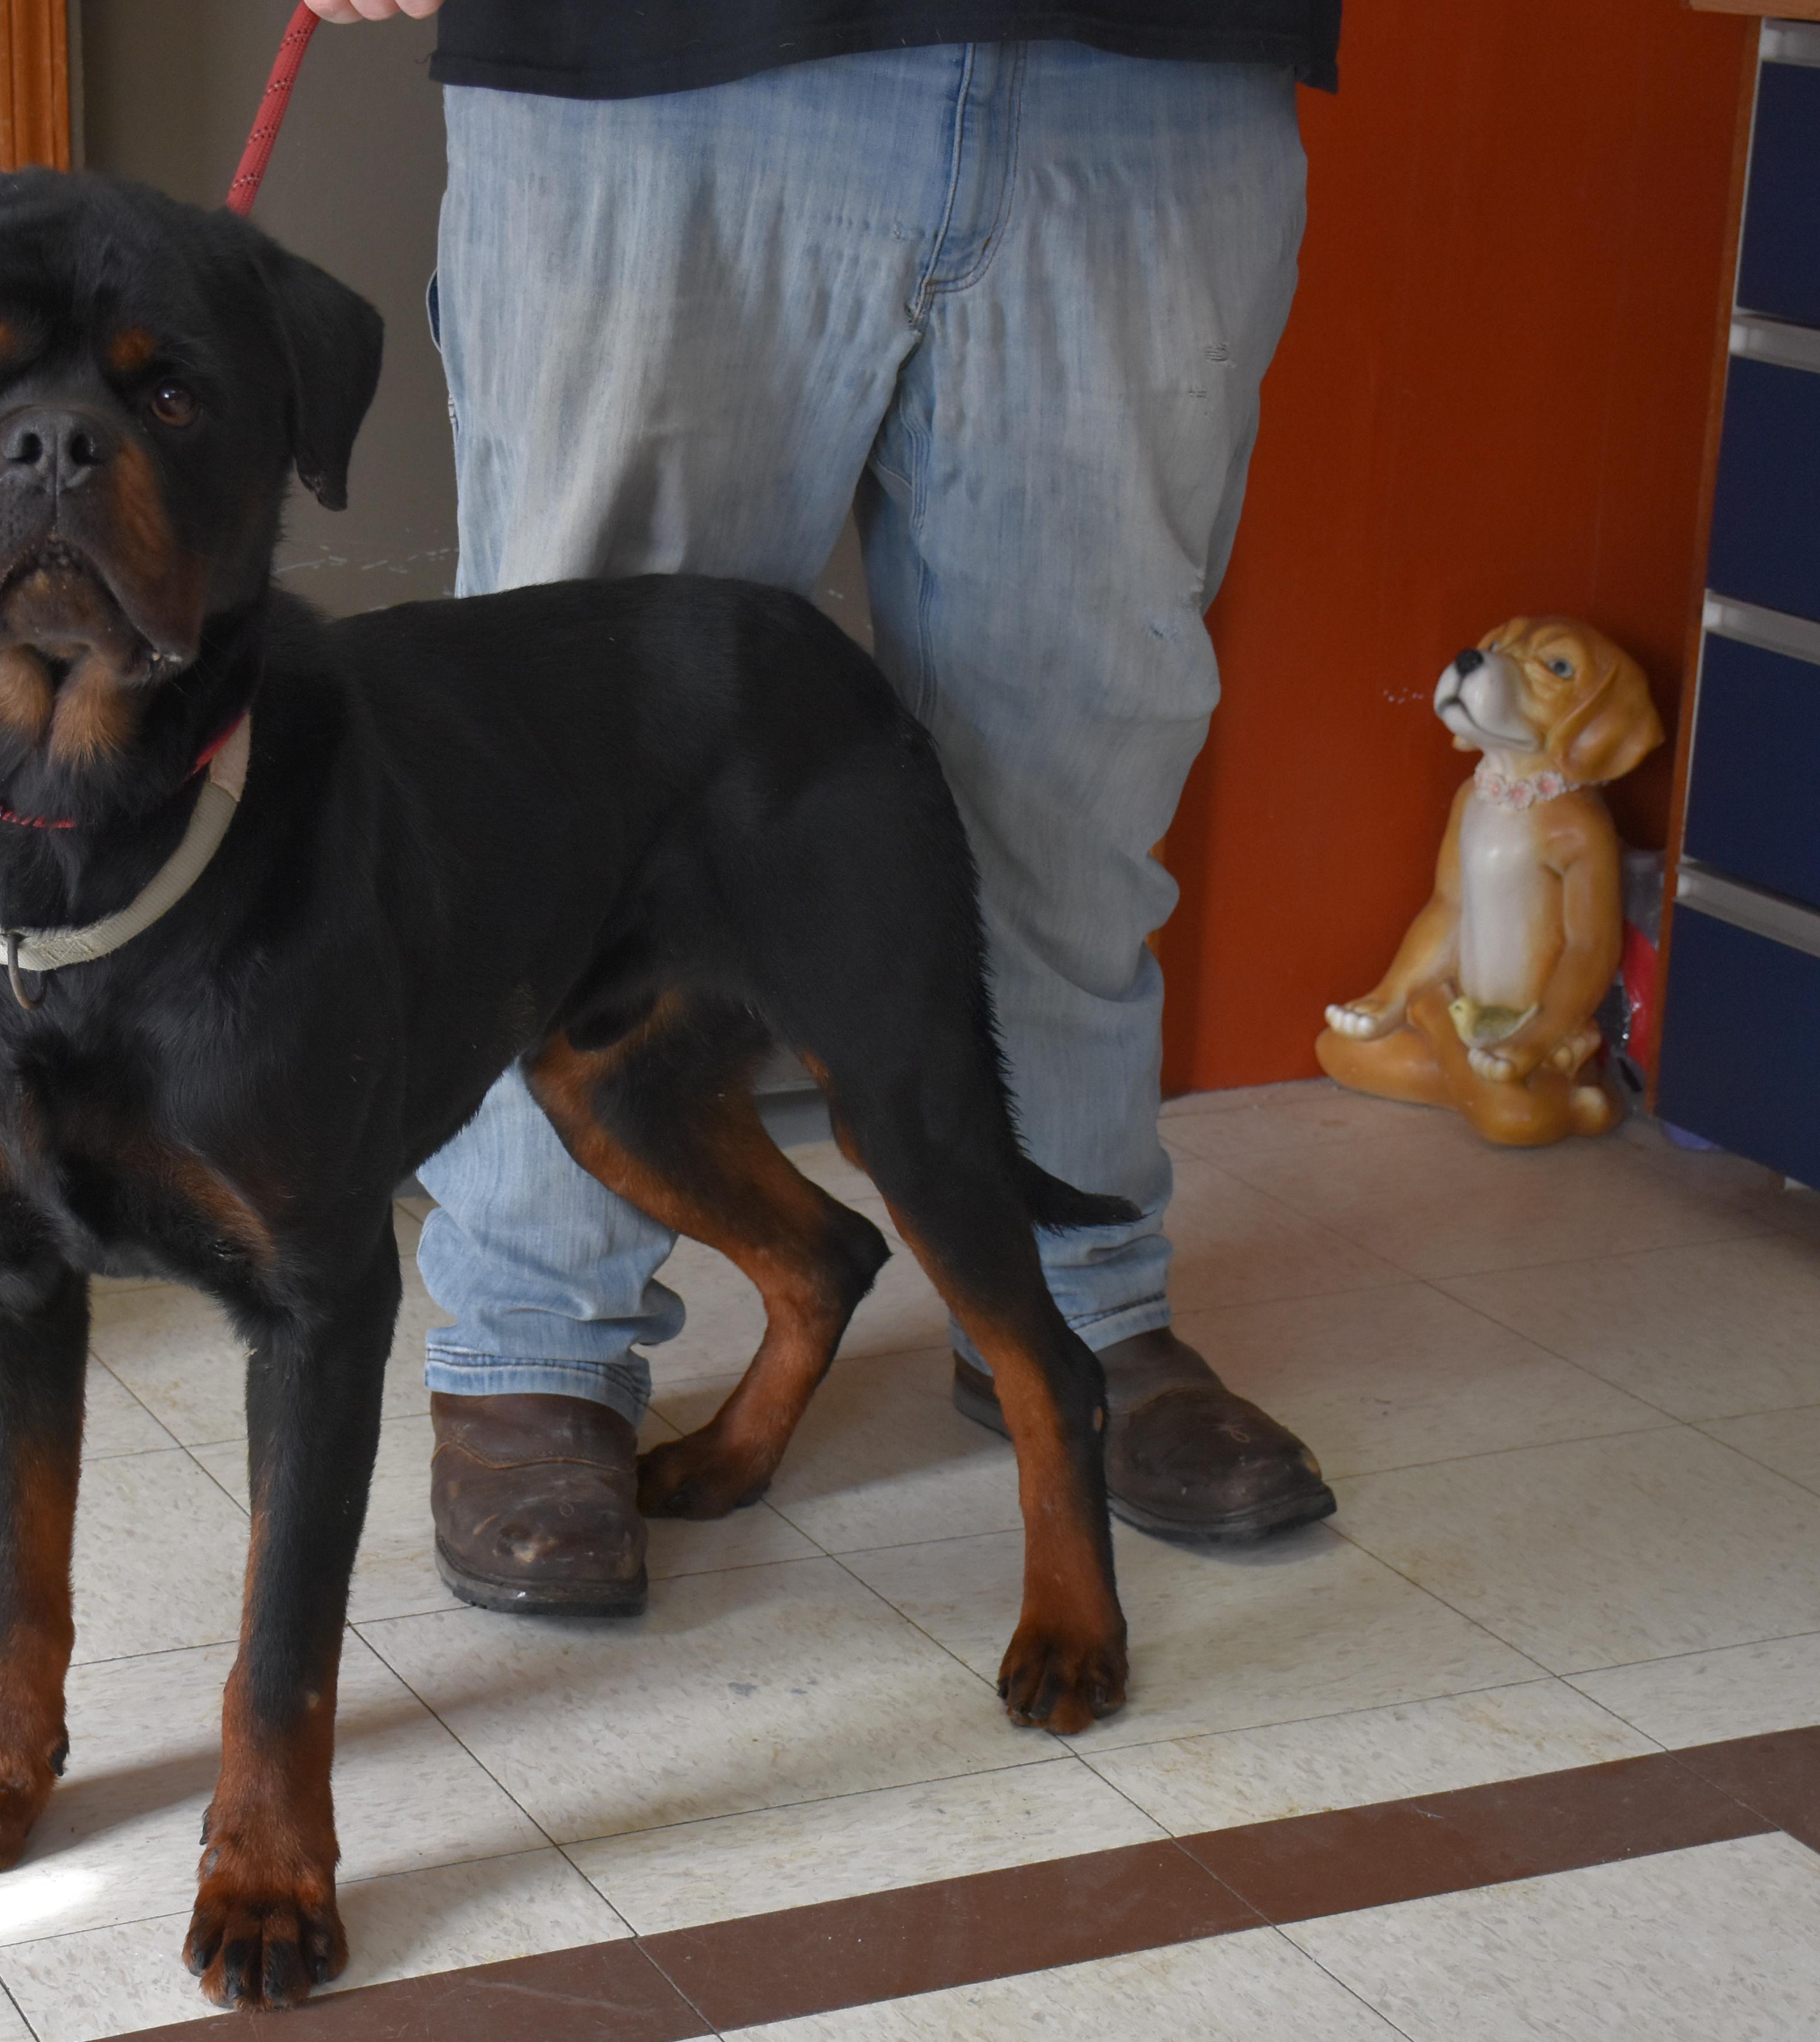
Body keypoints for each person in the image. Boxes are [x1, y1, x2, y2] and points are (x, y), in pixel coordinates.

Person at [307, 0, 1342, 1615]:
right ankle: (540, 1346)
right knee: (563, 759)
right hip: (661, 63)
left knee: (1079, 763)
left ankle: (1067, 1299)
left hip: (1153, 62)